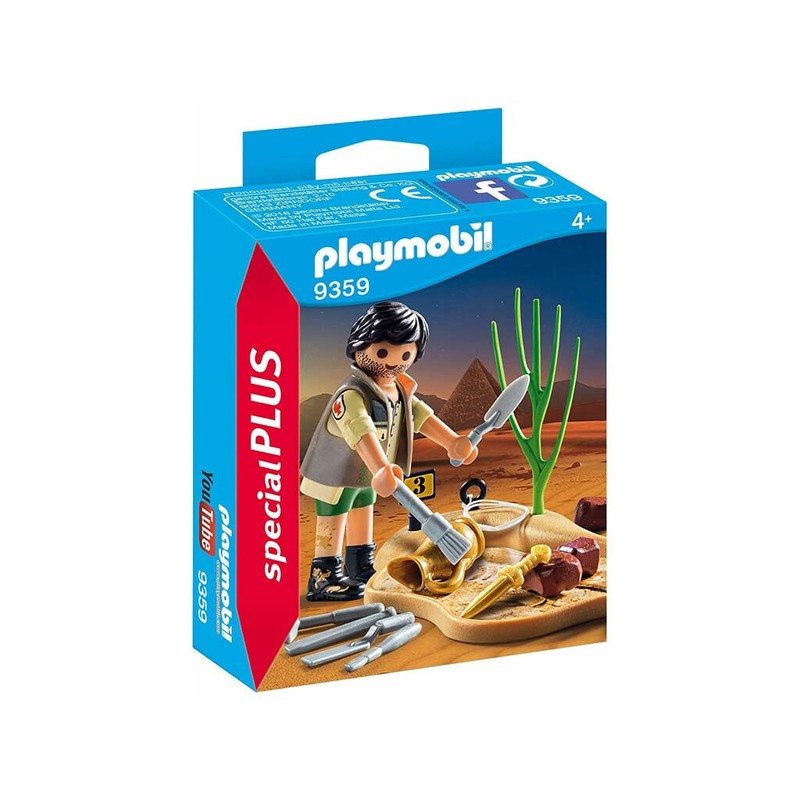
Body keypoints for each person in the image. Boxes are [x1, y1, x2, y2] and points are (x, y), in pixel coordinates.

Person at [300, 300, 478, 600]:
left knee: (362, 509)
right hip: (336, 473)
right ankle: (323, 576)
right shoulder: (352, 394)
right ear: (359, 346)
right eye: (383, 353)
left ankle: (360, 566)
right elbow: (360, 430)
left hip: (369, 474)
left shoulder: (398, 390)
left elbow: (421, 416)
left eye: (406, 355)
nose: (394, 362)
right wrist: (381, 467)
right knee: (335, 514)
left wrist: (451, 441)